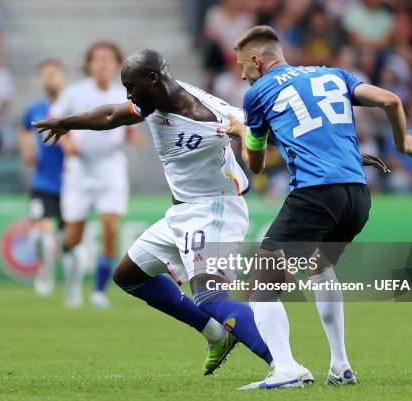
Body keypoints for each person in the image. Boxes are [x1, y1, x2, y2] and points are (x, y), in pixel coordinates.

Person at [34, 49, 289, 378]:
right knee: (128, 276)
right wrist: (66, 123)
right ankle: (216, 334)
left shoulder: (210, 115)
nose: (128, 95)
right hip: (182, 213)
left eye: (131, 87)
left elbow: (259, 132)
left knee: (210, 296)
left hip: (215, 210)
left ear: (153, 79)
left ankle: (284, 366)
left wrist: (333, 155)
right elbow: (112, 115)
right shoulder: (152, 99)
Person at [228, 25, 412, 389]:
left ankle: (285, 371)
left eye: (242, 66)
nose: (241, 74)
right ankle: (340, 365)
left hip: (315, 195)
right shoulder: (334, 75)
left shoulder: (258, 93)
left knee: (261, 284)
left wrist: (242, 132)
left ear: (257, 60)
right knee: (319, 265)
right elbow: (391, 100)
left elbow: (254, 165)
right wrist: (402, 143)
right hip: (357, 195)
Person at [47, 42, 142, 309]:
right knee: (73, 237)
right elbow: (56, 120)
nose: (102, 64)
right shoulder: (75, 92)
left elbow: (130, 123)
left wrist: (132, 134)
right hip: (79, 170)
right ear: (89, 64)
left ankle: (99, 291)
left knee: (110, 228)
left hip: (110, 168)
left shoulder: (126, 94)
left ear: (117, 65)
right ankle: (71, 273)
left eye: (108, 59)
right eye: (97, 59)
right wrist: (67, 145)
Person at [18, 60, 66, 297]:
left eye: (54, 73)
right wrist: (26, 147)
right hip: (43, 183)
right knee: (40, 232)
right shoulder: (35, 109)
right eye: (45, 74)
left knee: (70, 240)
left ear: (63, 77)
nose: (50, 78)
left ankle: (72, 285)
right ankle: (45, 272)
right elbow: (23, 128)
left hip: (72, 185)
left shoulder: (72, 107)